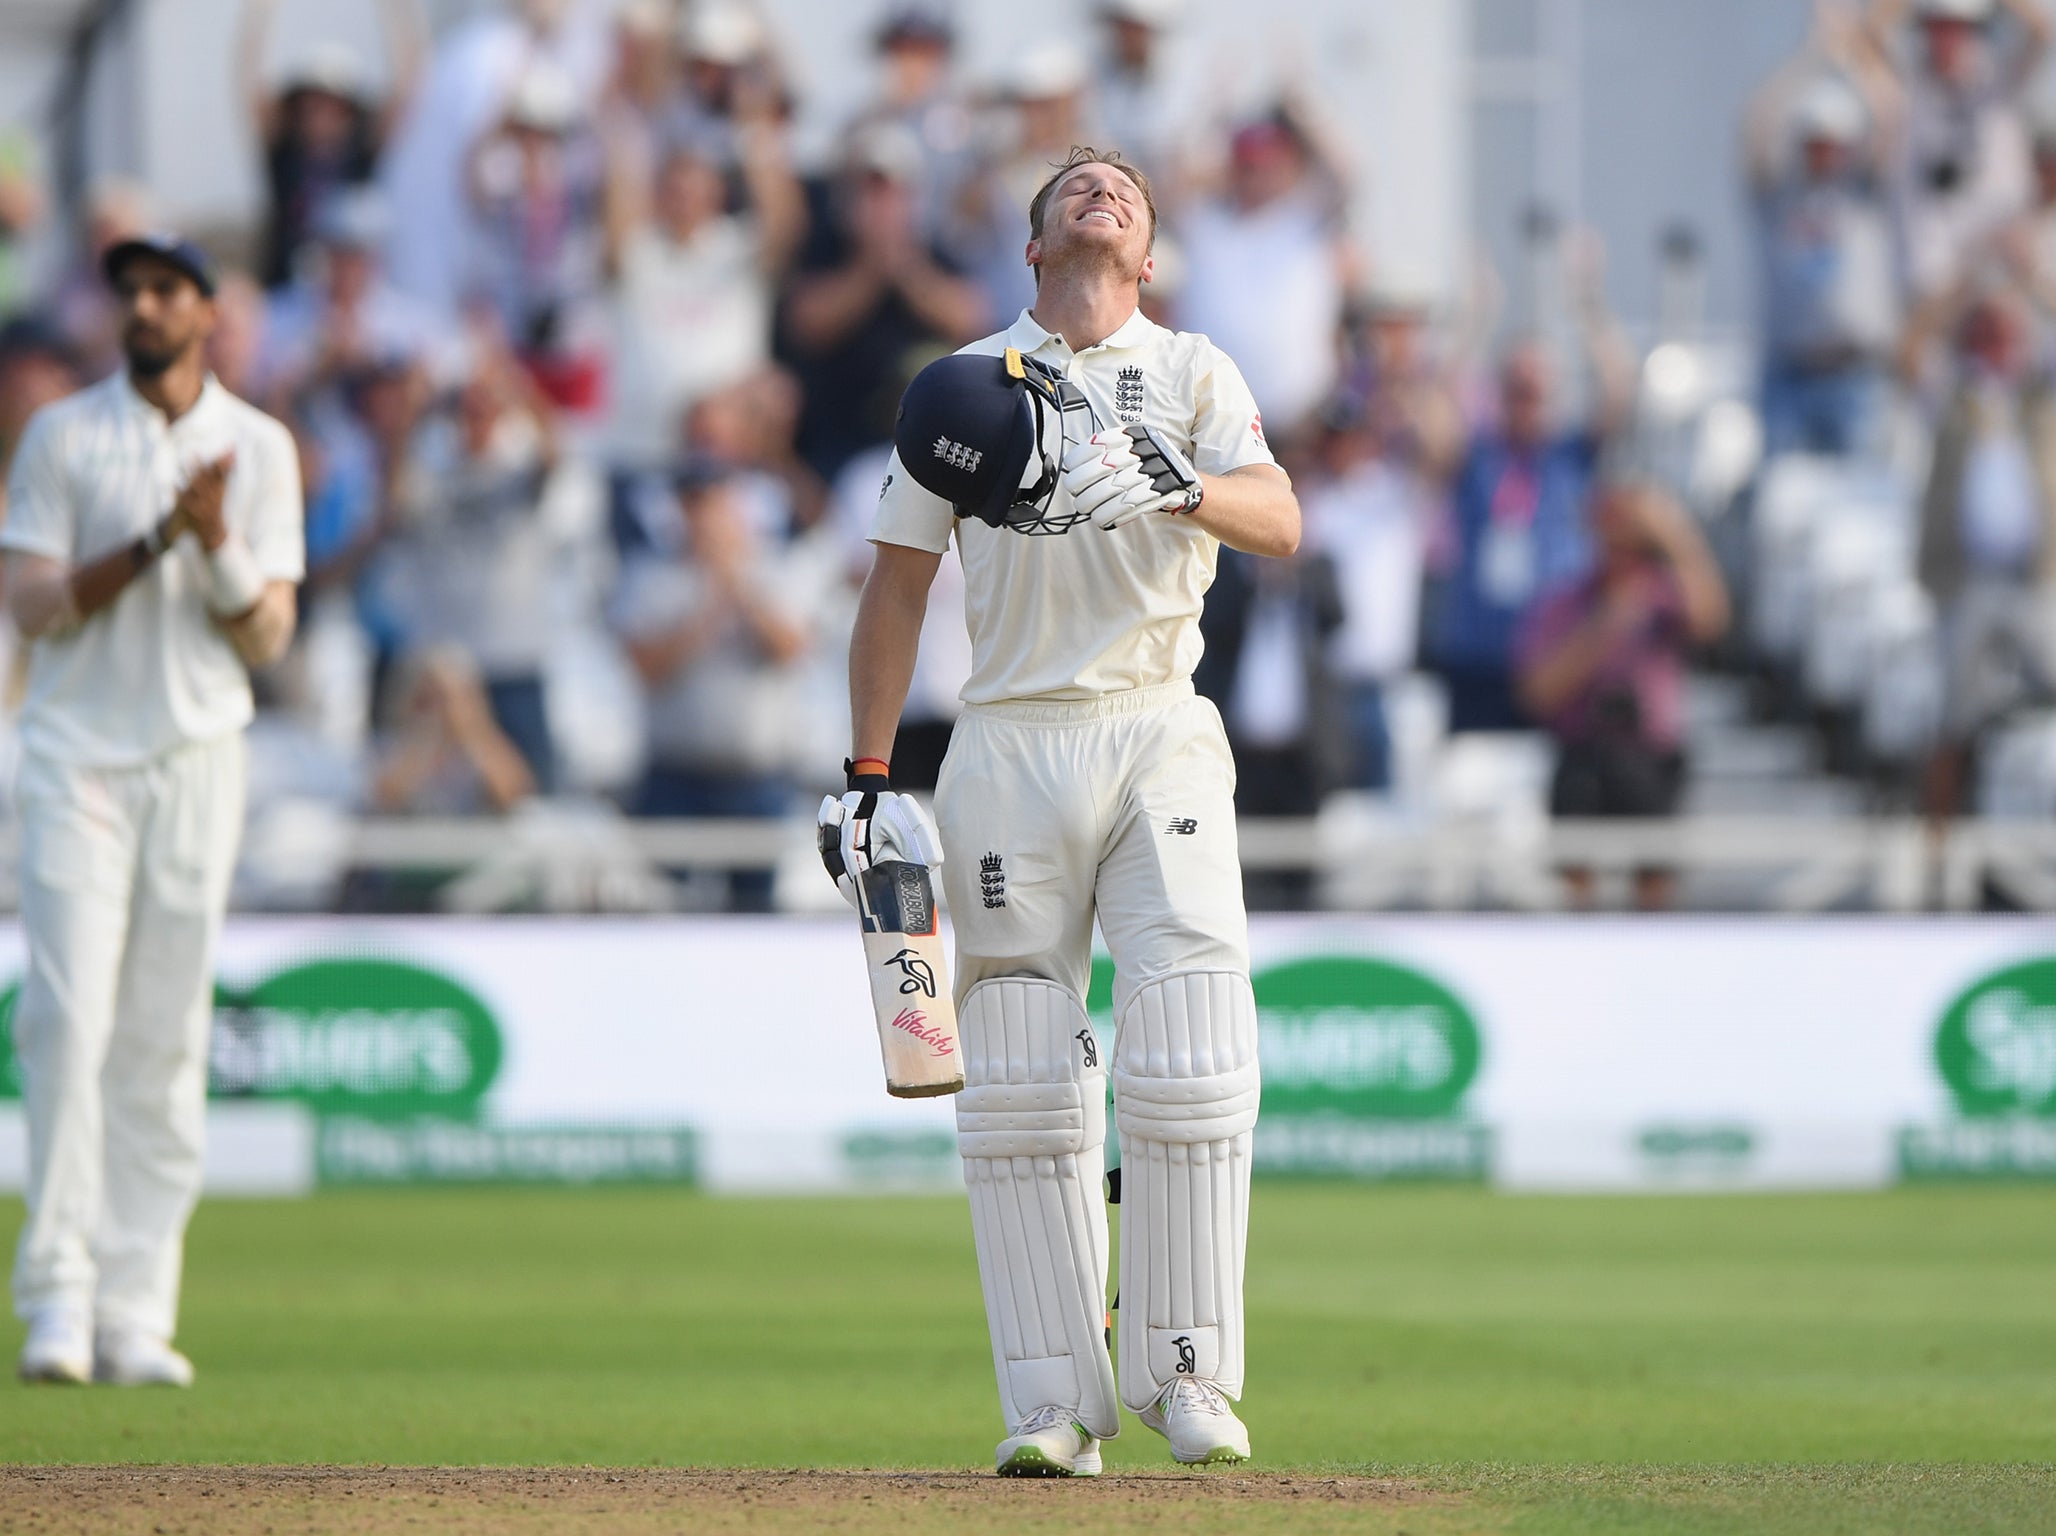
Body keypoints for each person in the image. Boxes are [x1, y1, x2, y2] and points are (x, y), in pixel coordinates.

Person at [824, 147, 1299, 1474]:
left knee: (1194, 1036)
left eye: (1126, 192)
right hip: (1011, 740)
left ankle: (1187, 1374)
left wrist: (1180, 480)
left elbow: (1283, 520)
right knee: (1024, 1071)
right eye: (1074, 188)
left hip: (1158, 723)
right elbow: (899, 587)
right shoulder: (963, 391)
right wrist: (867, 782)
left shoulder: (1197, 372)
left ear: (1146, 258)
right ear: (1032, 249)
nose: (1102, 190)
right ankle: (1050, 1404)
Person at [3, 235, 304, 1386]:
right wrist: (154, 542)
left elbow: (266, 634)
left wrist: (215, 543)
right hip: (78, 754)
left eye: (165, 291)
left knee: (166, 1036)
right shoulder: (64, 435)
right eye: (129, 290)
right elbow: (32, 607)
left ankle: (137, 1309)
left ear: (207, 313)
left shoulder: (259, 449)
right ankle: (58, 1301)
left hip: (197, 753)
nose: (143, 305)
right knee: (67, 1026)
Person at [1428, 239, 1635, 733]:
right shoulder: (1478, 455)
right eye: (1516, 390)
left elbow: (1621, 393)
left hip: (1553, 656)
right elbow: (1433, 407)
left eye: (1537, 391)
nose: (1527, 402)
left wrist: (1588, 305)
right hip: (1478, 652)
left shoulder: (1570, 457)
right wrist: (1473, 323)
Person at [1516, 482, 1729, 910]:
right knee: (1574, 880)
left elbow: (1713, 619)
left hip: (1650, 760)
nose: (1622, 550)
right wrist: (1605, 626)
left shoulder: (1668, 598)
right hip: (1582, 755)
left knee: (1655, 883)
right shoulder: (1565, 604)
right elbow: (1538, 692)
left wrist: (1675, 534)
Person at [1744, 2, 1903, 458]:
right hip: (1789, 375)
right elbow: (1757, 124)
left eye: (1835, 144)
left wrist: (1853, 52)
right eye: (1815, 143)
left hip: (1856, 378)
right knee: (1780, 509)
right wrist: (1811, 55)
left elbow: (1891, 116)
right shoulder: (1778, 197)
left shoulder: (1865, 197)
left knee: (1862, 514)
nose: (1825, 154)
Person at [237, 0, 426, 289]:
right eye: (309, 104)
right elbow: (248, 79)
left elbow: (410, 85)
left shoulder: (362, 152)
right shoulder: (284, 153)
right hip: (285, 294)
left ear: (349, 112)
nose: (319, 114)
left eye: (332, 105)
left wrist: (397, 10)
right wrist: (262, 10)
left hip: (350, 301)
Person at [1872, 0, 2048, 299]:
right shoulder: (1903, 87)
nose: (1946, 39)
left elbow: (2042, 31)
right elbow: (1869, 34)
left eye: (1956, 28)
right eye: (1936, 27)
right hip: (1933, 281)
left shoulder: (1999, 77)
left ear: (1974, 31)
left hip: (2003, 271)